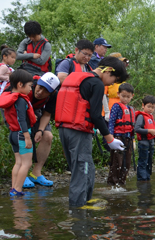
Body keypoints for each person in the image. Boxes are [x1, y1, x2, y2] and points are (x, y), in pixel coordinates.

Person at [54, 56, 128, 207]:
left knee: (84, 168)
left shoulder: (78, 77)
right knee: (82, 170)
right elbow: (96, 115)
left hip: (64, 129)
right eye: (114, 79)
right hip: (78, 132)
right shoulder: (97, 83)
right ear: (108, 70)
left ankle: (85, 201)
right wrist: (110, 139)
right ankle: (78, 210)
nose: (113, 83)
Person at [0, 70, 36, 196]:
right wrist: (27, 137)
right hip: (21, 134)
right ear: (20, 85)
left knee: (18, 162)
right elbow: (21, 119)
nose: (31, 89)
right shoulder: (20, 100)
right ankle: (17, 190)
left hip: (13, 134)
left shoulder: (9, 97)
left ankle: (14, 189)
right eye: (30, 86)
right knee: (27, 163)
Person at [23, 72, 60, 188]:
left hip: (36, 110)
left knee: (48, 136)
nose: (40, 92)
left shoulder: (54, 95)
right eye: (40, 87)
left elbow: (47, 114)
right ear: (36, 83)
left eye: (45, 91)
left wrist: (40, 130)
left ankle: (35, 172)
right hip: (18, 109)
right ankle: (22, 173)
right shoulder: (27, 84)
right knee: (24, 136)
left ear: (51, 92)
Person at [107, 83, 135, 186]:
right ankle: (112, 183)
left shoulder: (131, 109)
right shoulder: (116, 107)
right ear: (118, 94)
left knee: (126, 163)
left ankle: (121, 182)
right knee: (117, 162)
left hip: (128, 138)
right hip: (118, 138)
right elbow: (111, 122)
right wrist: (111, 138)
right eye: (123, 96)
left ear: (132, 96)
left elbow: (132, 127)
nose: (125, 99)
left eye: (128, 97)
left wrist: (133, 140)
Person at [134, 95, 155, 181]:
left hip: (150, 142)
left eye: (153, 107)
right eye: (148, 106)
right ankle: (142, 179)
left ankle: (147, 177)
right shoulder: (141, 116)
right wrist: (149, 131)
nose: (150, 109)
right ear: (143, 105)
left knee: (149, 161)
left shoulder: (150, 117)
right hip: (143, 142)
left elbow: (150, 127)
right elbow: (137, 129)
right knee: (143, 161)